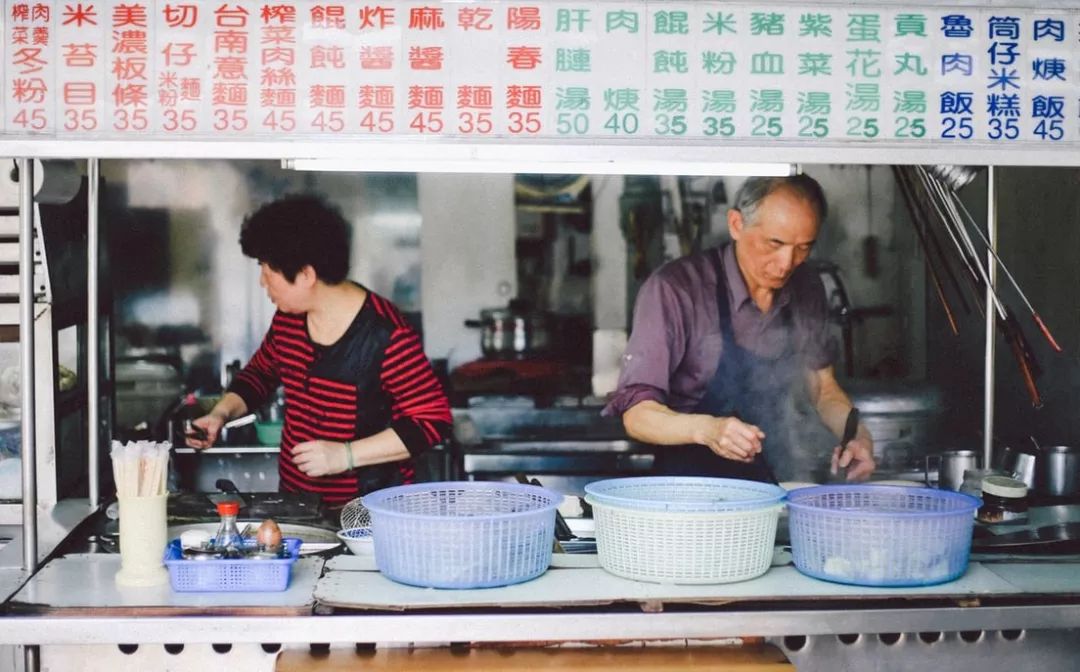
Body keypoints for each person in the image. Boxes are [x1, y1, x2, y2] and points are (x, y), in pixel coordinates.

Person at [603, 175, 875, 483]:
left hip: (779, 484)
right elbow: (637, 416)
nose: (786, 263)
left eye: (803, 247)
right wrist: (709, 429)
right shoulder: (675, 290)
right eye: (774, 243)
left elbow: (823, 388)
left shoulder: (806, 286)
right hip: (690, 493)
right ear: (736, 224)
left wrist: (857, 436)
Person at [187, 194, 452, 506]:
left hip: (367, 512)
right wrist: (220, 414)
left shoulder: (386, 335)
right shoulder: (289, 319)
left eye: (267, 268)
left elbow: (432, 421)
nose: (262, 281)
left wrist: (346, 455)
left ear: (306, 275)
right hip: (297, 503)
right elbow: (259, 375)